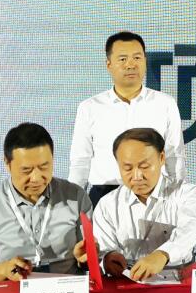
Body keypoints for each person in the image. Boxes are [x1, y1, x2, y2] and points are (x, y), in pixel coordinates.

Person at [68, 31, 186, 207]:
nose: (131, 65)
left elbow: (174, 155)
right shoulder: (90, 107)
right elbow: (80, 161)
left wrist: (177, 197)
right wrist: (73, 204)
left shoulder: (165, 104)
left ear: (145, 61)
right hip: (104, 196)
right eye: (123, 59)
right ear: (109, 64)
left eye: (137, 58)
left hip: (152, 195)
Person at [0, 123, 91, 281]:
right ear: (7, 164)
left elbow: (91, 260)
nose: (36, 178)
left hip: (67, 288)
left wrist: (85, 259)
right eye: (26, 170)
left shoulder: (76, 197)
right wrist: (3, 270)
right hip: (13, 290)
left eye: (44, 167)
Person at [91, 127, 196, 282]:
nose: (137, 176)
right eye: (127, 168)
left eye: (144, 166)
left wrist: (162, 255)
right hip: (126, 283)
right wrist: (108, 258)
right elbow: (103, 251)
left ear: (162, 158)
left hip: (177, 280)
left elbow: (189, 230)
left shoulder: (187, 194)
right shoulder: (108, 204)